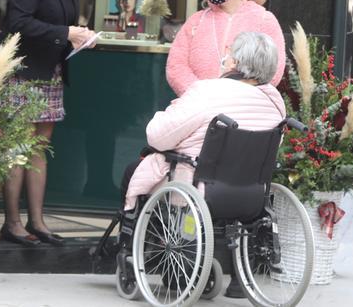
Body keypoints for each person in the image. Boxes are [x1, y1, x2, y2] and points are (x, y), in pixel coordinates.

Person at [119, 32, 286, 256]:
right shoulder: (275, 102)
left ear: (235, 62)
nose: (224, 59)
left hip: (201, 187)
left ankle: (133, 248)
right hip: (251, 193)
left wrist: (162, 115)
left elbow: (157, 137)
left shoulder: (208, 92)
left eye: (228, 55)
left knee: (134, 170)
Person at [1, 0, 96, 246]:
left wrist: (78, 33)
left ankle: (37, 222)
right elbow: (17, 21)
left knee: (39, 147)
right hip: (25, 72)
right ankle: (12, 224)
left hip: (52, 71)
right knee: (18, 148)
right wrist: (64, 32)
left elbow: (63, 21)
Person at [167, 0, 286, 94]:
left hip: (242, 108)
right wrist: (200, 94)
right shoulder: (197, 21)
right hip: (199, 107)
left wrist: (236, 97)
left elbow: (274, 69)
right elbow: (176, 65)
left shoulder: (264, 20)